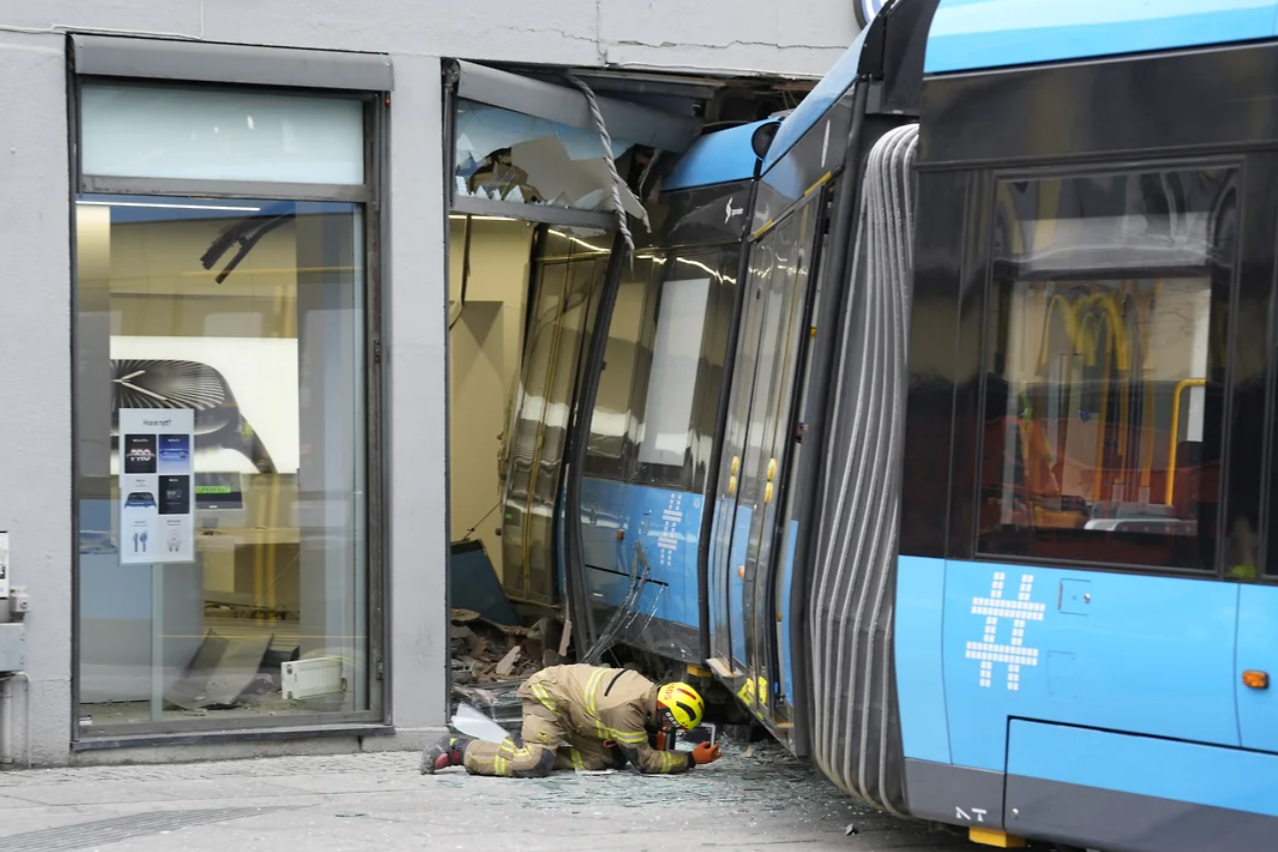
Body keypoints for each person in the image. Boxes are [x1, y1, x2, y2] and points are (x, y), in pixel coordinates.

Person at [421, 664, 722, 777]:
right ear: (665, 711)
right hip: (549, 696)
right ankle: (461, 749)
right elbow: (644, 763)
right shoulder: (626, 709)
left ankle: (526, 743)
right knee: (533, 765)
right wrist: (690, 759)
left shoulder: (644, 691)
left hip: (576, 713)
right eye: (673, 725)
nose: (670, 731)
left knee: (605, 758)